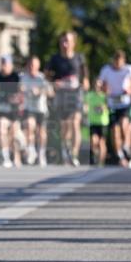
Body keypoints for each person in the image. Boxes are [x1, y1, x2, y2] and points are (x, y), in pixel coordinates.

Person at [46, 31, 88, 166]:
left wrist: (84, 84)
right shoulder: (55, 59)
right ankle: (65, 150)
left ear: (73, 43)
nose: (64, 44)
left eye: (67, 41)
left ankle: (74, 154)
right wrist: (54, 83)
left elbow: (85, 77)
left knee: (75, 122)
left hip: (76, 94)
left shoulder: (79, 58)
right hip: (61, 95)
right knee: (65, 126)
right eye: (62, 41)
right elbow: (46, 75)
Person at [97, 50, 131, 168]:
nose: (117, 65)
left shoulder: (129, 69)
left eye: (120, 63)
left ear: (123, 61)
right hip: (112, 103)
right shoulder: (106, 70)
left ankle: (127, 146)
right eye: (116, 62)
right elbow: (101, 83)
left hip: (125, 102)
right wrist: (103, 88)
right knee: (115, 131)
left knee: (124, 125)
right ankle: (120, 154)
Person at [0, 54, 22, 167]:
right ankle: (5, 155)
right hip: (1, 109)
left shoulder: (16, 76)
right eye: (2, 63)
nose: (4, 66)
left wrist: (17, 98)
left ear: (10, 65)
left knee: (13, 134)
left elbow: (22, 92)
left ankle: (16, 156)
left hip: (14, 109)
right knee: (1, 127)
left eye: (6, 63)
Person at [19, 55, 51, 166]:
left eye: (34, 65)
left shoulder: (42, 78)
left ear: (38, 66)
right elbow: (18, 89)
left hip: (41, 108)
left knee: (41, 132)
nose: (32, 67)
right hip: (29, 107)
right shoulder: (23, 77)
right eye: (30, 65)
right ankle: (31, 150)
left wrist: (40, 91)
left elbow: (51, 92)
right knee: (29, 125)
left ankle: (41, 153)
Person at [86, 77, 109, 166]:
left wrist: (103, 107)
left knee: (101, 142)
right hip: (93, 121)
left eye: (99, 85)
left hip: (103, 122)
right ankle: (95, 156)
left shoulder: (104, 96)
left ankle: (101, 163)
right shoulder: (89, 95)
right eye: (96, 84)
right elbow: (86, 105)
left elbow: (108, 107)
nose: (97, 87)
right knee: (93, 141)